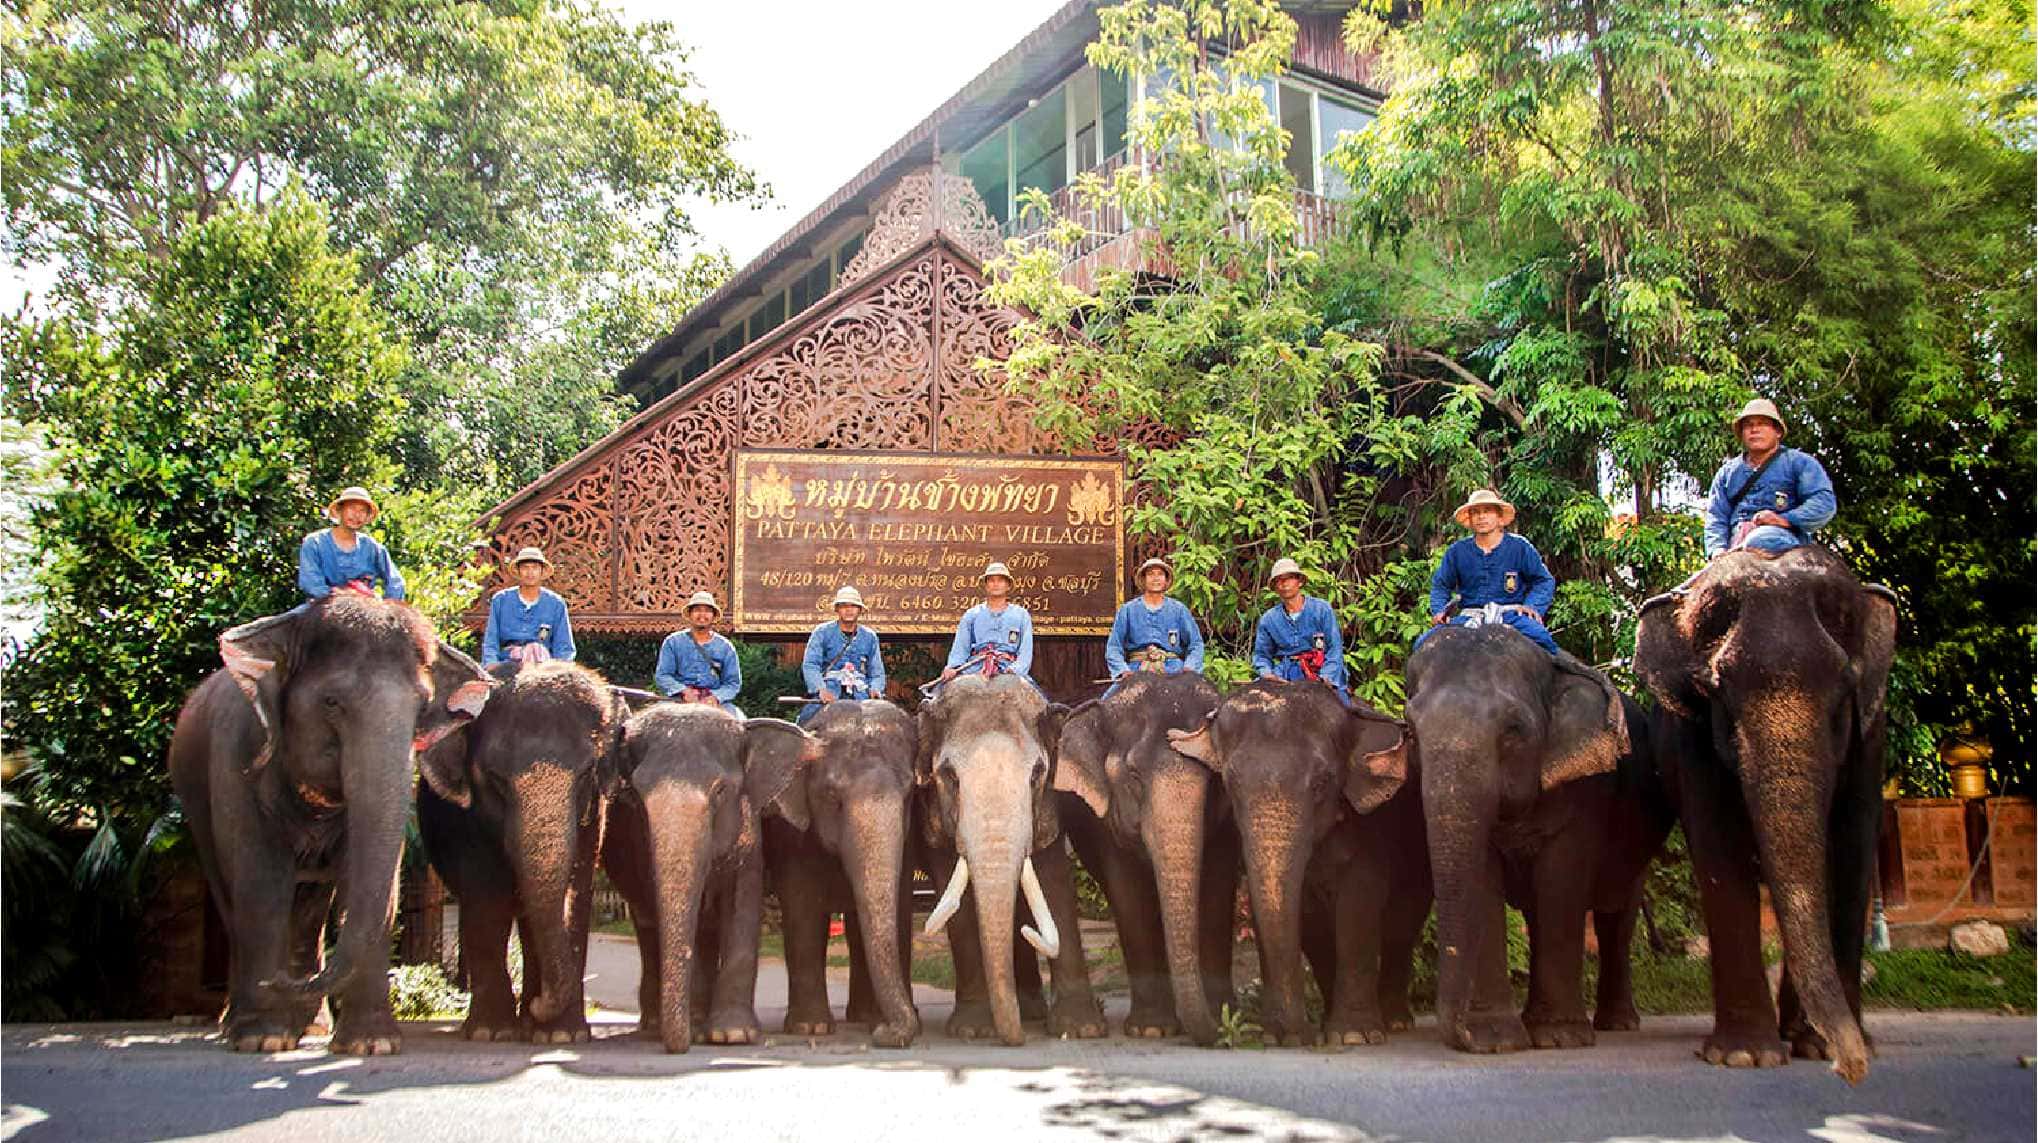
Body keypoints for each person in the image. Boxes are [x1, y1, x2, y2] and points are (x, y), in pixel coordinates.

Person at [1419, 489, 1560, 656]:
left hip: (1512, 616)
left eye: (1487, 511)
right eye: (1476, 512)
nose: (1481, 517)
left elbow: (1543, 581)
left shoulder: (1519, 547)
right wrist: (1439, 611)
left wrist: (1532, 606)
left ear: (1499, 518)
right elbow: (1441, 585)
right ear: (1470, 520)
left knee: (1543, 640)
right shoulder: (1457, 551)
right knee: (1423, 644)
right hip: (1469, 618)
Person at [1703, 398, 1836, 558]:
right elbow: (1716, 515)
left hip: (1782, 539)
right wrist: (1716, 550)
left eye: (1762, 424)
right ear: (1742, 433)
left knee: (1760, 541)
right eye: (1748, 425)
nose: (1754, 430)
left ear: (1777, 431)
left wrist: (1784, 520)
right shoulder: (1727, 473)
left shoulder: (1799, 463)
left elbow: (1823, 502)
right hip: (1735, 544)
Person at [1251, 558, 1348, 701]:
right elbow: (1262, 656)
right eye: (1279, 580)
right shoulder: (1269, 619)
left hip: (1319, 669)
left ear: (1299, 582)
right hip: (1286, 672)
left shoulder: (1322, 609)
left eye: (1289, 578)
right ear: (1275, 587)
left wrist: (1326, 677)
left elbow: (1334, 649)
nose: (1284, 584)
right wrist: (1267, 674)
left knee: (1341, 709)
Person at [1103, 557, 1205, 691]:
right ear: (1143, 579)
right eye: (1151, 574)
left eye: (1160, 574)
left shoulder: (1179, 610)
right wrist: (1123, 671)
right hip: (1136, 671)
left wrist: (1189, 668)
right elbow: (1114, 647)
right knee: (1107, 704)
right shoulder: (1127, 610)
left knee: (1202, 705)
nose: (1155, 578)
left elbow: (1196, 644)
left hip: (1174, 670)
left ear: (1166, 580)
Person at [297, 486, 405, 602]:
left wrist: (388, 606)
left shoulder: (373, 548)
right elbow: (312, 585)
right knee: (286, 619)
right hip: (323, 607)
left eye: (362, 511)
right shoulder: (315, 543)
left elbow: (396, 582)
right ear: (339, 511)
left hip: (366, 608)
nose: (356, 515)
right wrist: (344, 602)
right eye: (352, 508)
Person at [936, 562, 1034, 687]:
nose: (996, 584)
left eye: (1000, 580)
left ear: (1008, 585)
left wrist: (1016, 669)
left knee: (1038, 701)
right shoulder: (972, 615)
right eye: (991, 580)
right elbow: (961, 647)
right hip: (976, 666)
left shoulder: (1021, 615)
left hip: (1008, 665)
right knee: (940, 696)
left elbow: (1025, 650)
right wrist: (953, 667)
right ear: (986, 585)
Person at [798, 585, 886, 723]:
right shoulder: (822, 632)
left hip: (861, 694)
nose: (849, 610)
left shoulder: (870, 637)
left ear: (860, 610)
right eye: (844, 606)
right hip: (829, 690)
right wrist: (820, 689)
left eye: (853, 606)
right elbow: (811, 665)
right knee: (806, 721)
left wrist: (876, 689)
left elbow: (877, 672)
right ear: (837, 609)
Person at [480, 546, 576, 667]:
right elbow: (491, 641)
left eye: (535, 568)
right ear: (519, 571)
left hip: (543, 667)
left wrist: (560, 670)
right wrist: (491, 666)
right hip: (507, 664)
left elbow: (564, 647)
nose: (530, 573)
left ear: (542, 571)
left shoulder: (556, 603)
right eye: (525, 568)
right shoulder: (501, 600)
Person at [655, 591, 744, 716]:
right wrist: (684, 691)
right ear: (690, 614)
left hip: (715, 703)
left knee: (741, 724)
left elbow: (733, 683)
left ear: (713, 616)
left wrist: (715, 697)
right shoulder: (673, 642)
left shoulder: (726, 647)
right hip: (678, 700)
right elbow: (663, 676)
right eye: (697, 610)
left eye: (707, 610)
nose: (702, 615)